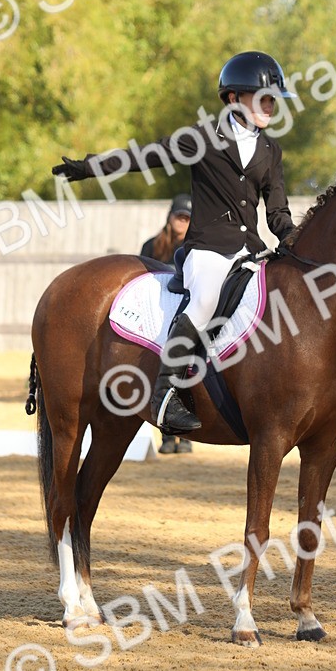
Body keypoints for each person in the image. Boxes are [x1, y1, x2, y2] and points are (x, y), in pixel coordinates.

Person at [54, 50, 296, 435]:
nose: (271, 106)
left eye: (274, 100)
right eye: (264, 98)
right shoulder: (201, 137)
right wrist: (89, 167)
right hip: (208, 249)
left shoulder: (271, 150)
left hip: (249, 252)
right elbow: (146, 156)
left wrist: (293, 239)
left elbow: (277, 213)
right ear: (234, 98)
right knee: (205, 300)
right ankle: (165, 392)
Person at [140, 193, 194, 455]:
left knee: (186, 367)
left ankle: (185, 436)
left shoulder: (194, 248)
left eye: (187, 218)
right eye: (179, 217)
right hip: (157, 312)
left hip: (184, 313)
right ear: (170, 217)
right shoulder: (152, 246)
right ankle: (166, 434)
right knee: (157, 370)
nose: (182, 222)